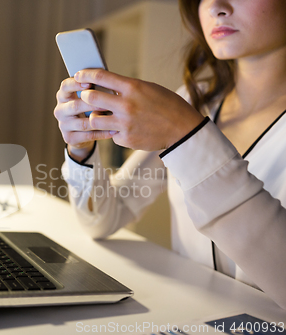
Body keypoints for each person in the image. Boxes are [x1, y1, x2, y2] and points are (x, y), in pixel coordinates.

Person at [53, 0, 286, 309]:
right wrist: (82, 151)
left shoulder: (183, 114)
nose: (216, 5)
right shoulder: (194, 100)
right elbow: (105, 218)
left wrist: (184, 133)